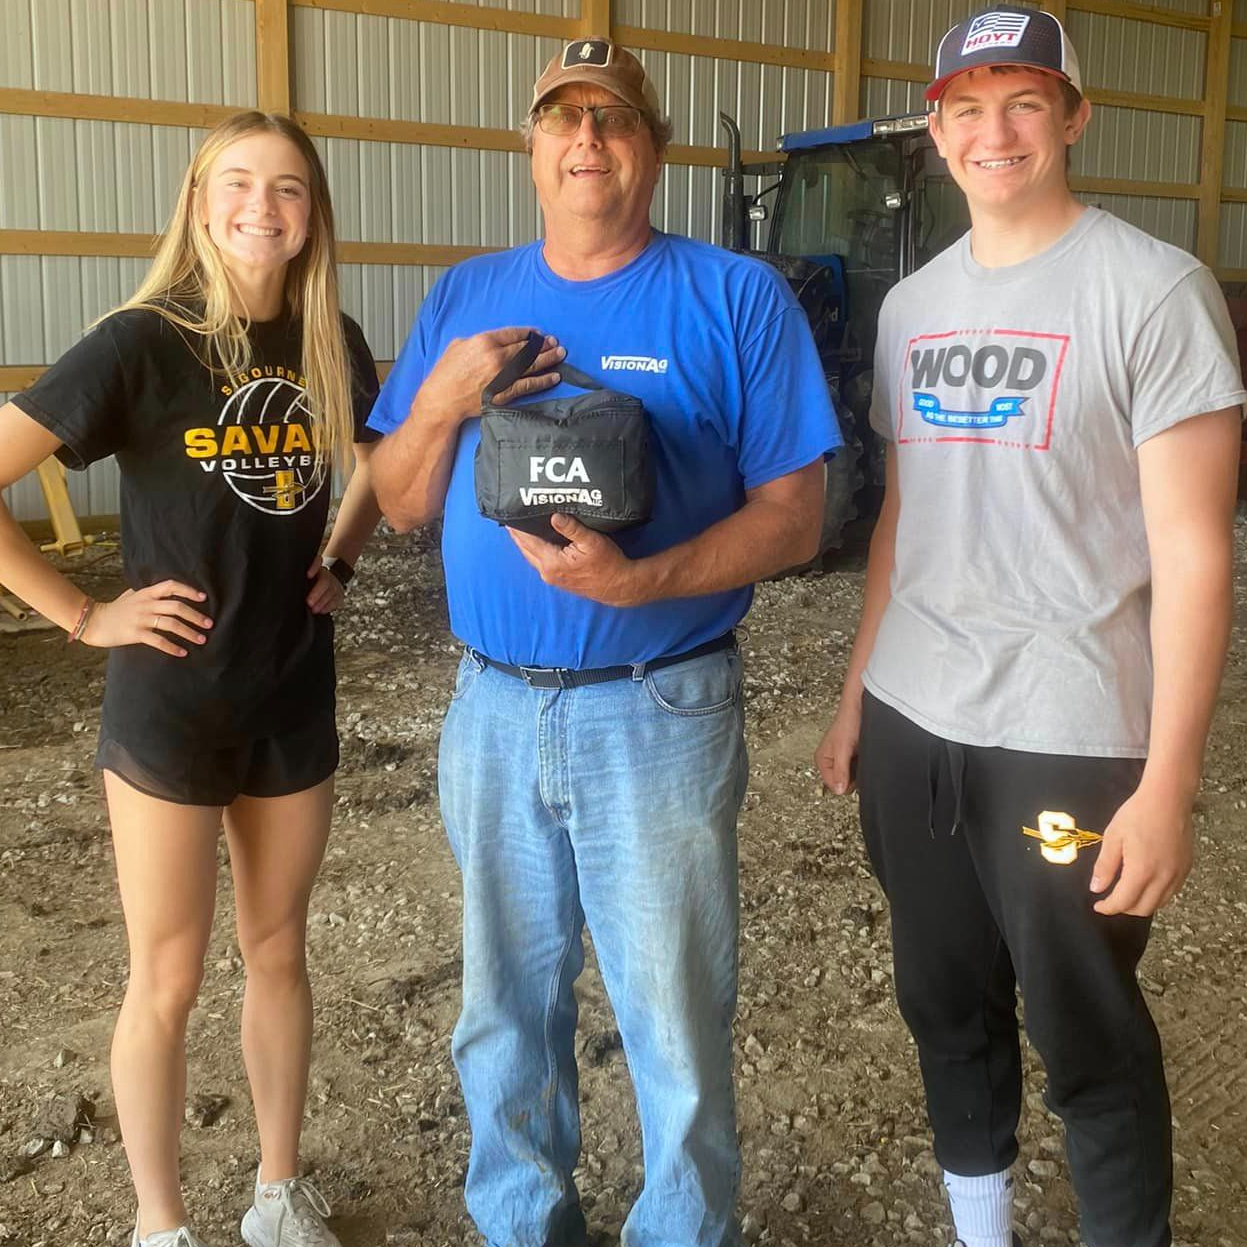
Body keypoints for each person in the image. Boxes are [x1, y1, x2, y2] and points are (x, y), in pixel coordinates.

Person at [367, 36, 840, 1247]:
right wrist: (436, 400)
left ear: (652, 149)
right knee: (501, 1004)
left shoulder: (734, 297)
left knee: (671, 1009)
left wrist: (642, 583)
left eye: (614, 119)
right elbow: (404, 500)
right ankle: (522, 1222)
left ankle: (681, 1229)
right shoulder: (465, 296)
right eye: (562, 119)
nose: (587, 141)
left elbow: (795, 517)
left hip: (657, 700)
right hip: (489, 705)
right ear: (531, 148)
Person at [815, 8, 1245, 1247]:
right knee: (941, 1005)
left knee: (1086, 1033)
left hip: (1068, 728)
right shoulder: (909, 307)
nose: (990, 130)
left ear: (1070, 117)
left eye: (1019, 102)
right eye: (964, 106)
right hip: (911, 721)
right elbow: (904, 516)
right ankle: (979, 1229)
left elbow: (1193, 550)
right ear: (937, 130)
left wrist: (1169, 781)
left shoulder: (1153, 290)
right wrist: (854, 698)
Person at [0, 111, 383, 1247]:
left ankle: (275, 1193)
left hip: (288, 692)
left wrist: (345, 553)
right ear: (198, 199)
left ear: (314, 215)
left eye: (289, 189)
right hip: (169, 705)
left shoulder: (331, 340)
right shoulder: (140, 342)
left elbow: (378, 458)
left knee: (278, 951)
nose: (262, 208)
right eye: (238, 184)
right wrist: (81, 611)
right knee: (164, 977)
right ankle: (159, 1224)